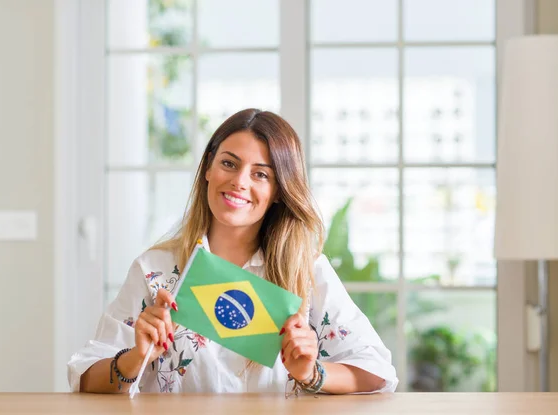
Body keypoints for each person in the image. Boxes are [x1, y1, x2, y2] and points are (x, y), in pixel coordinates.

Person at [68, 108, 398, 395]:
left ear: (279, 191)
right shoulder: (155, 269)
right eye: (229, 163)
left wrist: (313, 374)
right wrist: (136, 357)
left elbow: (376, 371)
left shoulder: (306, 269)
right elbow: (84, 377)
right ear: (208, 169)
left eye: (260, 174)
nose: (240, 181)